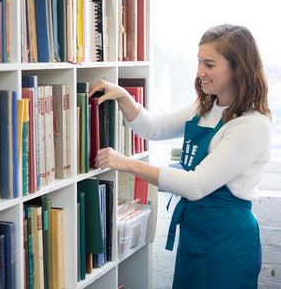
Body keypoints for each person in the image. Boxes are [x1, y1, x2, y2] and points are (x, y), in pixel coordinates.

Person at [89, 24, 271, 289]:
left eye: (209, 64)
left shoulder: (251, 124)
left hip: (228, 242)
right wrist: (124, 96)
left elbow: (195, 185)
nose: (199, 72)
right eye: (199, 62)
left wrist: (126, 163)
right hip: (195, 233)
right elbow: (154, 127)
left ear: (238, 68)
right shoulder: (206, 106)